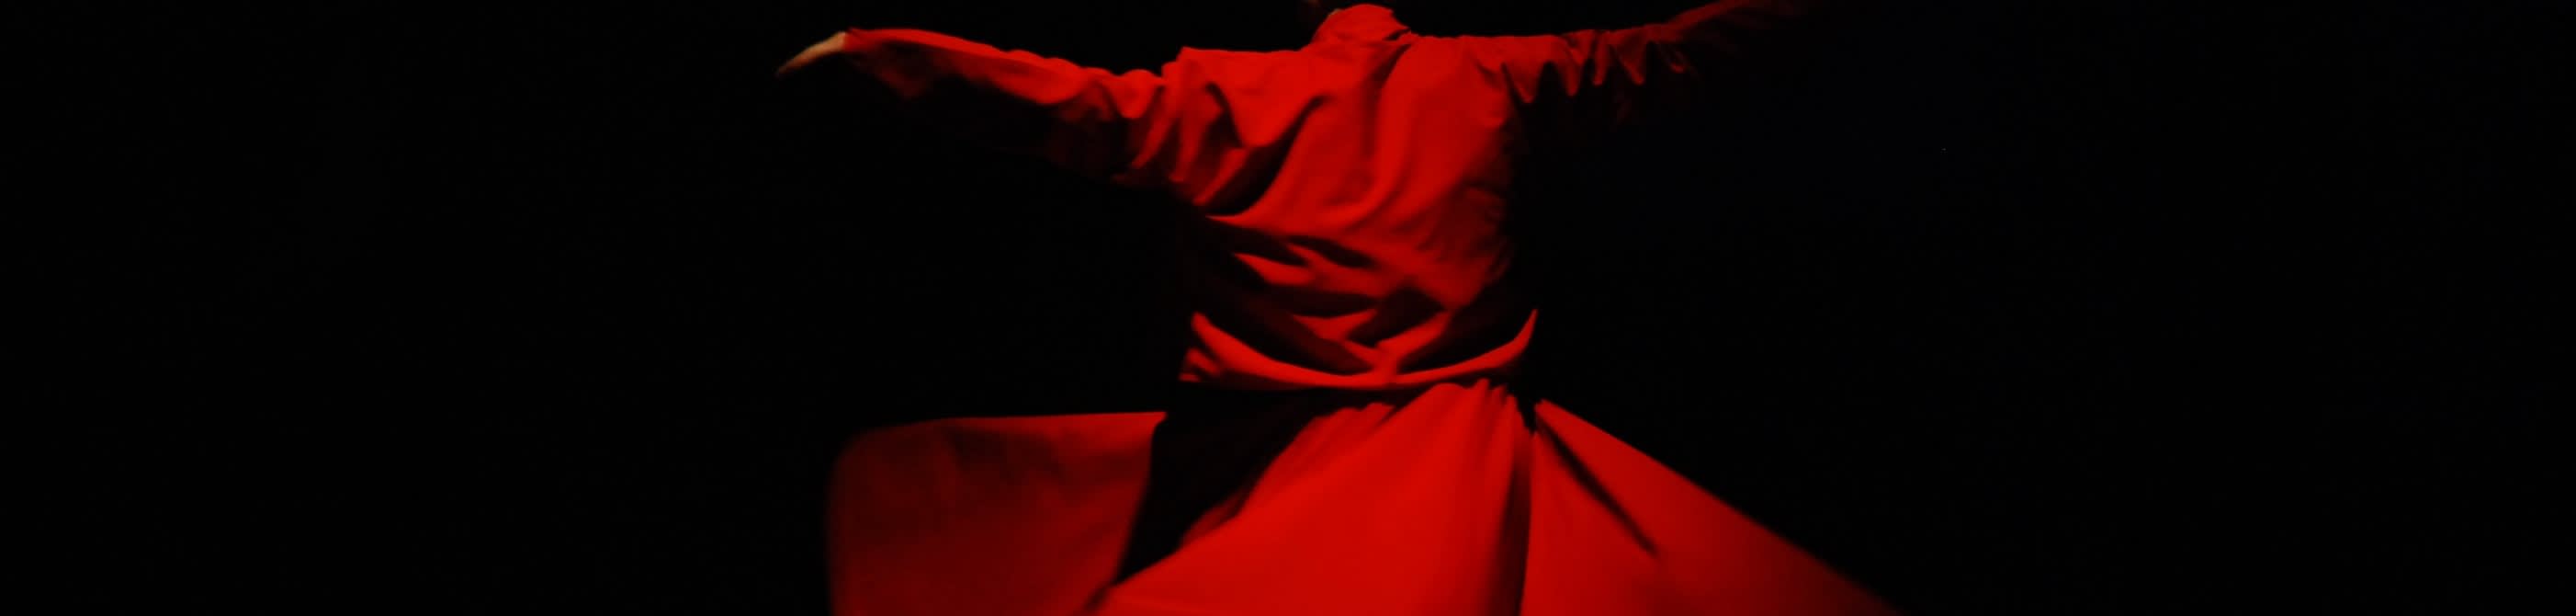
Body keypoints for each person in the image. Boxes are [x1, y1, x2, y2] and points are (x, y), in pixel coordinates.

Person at [777, 1, 1894, 613]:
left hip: (1277, 459)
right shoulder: (1489, 78)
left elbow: (1060, 102)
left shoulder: (1223, 93)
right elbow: (1676, 54)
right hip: (1455, 454)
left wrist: (881, 55)